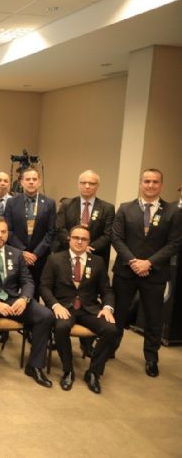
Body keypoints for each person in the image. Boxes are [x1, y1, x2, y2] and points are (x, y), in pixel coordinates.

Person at [0, 216, 54, 387]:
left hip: (13, 299)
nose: (0, 235)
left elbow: (27, 281)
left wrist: (24, 298)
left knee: (45, 315)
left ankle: (35, 366)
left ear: (8, 234)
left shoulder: (16, 253)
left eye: (3, 232)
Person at [111, 168, 181, 377]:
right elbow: (116, 238)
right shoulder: (125, 208)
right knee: (118, 313)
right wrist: (133, 261)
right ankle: (109, 348)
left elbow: (175, 243)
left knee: (153, 317)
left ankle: (151, 358)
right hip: (126, 271)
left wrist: (148, 263)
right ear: (140, 183)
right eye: (147, 181)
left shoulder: (173, 212)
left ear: (161, 185)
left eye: (155, 182)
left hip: (155, 273)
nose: (151, 185)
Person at [40, 225, 117, 393]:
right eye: (76, 238)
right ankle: (68, 371)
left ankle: (93, 372)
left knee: (111, 329)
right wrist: (55, 305)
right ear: (69, 239)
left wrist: (107, 308)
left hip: (89, 308)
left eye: (84, 239)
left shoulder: (98, 262)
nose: (79, 241)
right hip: (64, 307)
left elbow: (107, 290)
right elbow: (44, 287)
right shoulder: (54, 259)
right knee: (61, 327)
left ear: (88, 242)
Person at [4, 167, 56, 297]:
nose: (31, 182)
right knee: (13, 292)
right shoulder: (11, 202)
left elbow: (51, 231)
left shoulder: (49, 203)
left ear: (39, 182)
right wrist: (23, 252)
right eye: (27, 179)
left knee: (35, 292)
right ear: (21, 182)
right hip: (16, 255)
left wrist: (35, 254)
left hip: (39, 257)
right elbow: (9, 230)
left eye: (34, 179)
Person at [56, 170, 115, 268]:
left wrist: (86, 247)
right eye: (83, 183)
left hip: (95, 255)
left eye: (91, 183)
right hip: (68, 254)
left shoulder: (107, 208)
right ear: (78, 184)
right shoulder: (66, 204)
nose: (87, 186)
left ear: (97, 186)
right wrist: (74, 244)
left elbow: (107, 234)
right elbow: (60, 228)